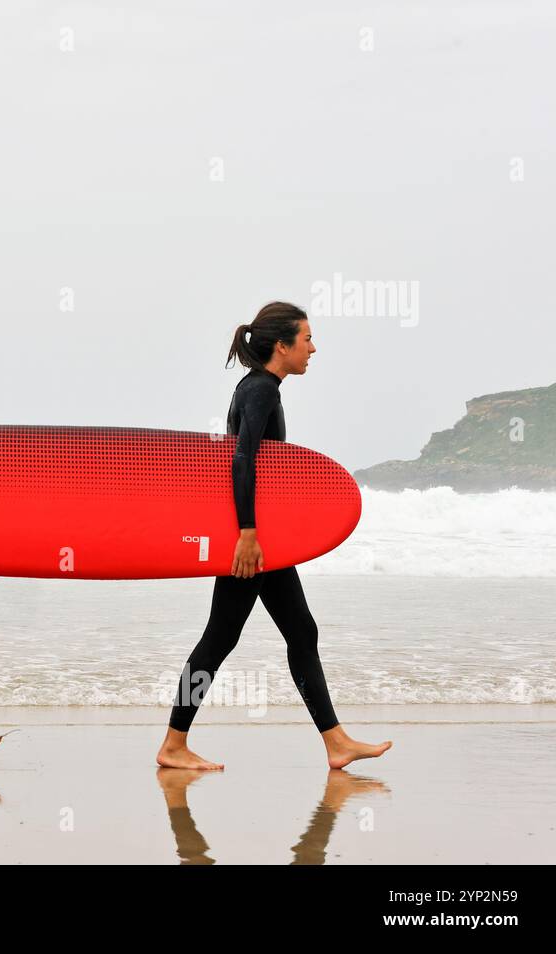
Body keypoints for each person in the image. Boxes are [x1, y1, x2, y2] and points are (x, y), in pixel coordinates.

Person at [158, 302, 393, 771]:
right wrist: (247, 533)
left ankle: (336, 742)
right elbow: (241, 461)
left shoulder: (259, 388)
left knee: (296, 632)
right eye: (306, 338)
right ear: (281, 346)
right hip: (252, 540)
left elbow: (258, 466)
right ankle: (173, 745)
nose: (313, 347)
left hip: (264, 537)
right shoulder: (261, 390)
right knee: (221, 638)